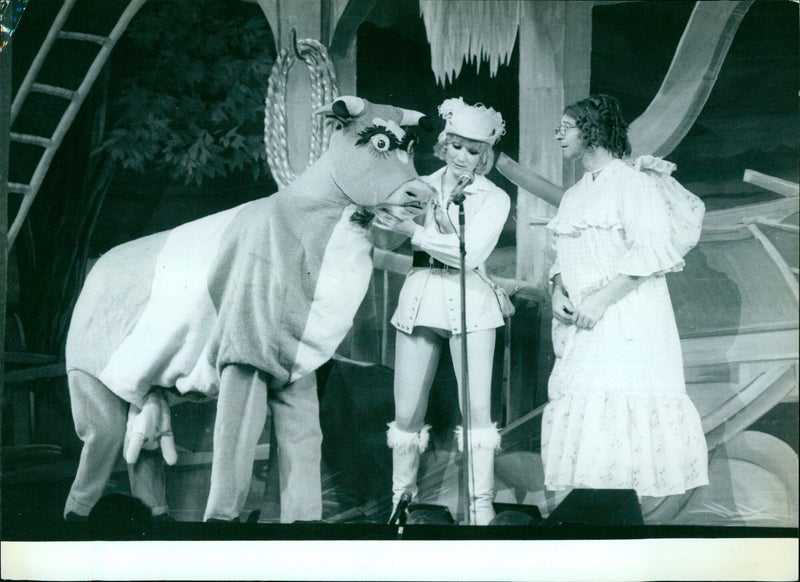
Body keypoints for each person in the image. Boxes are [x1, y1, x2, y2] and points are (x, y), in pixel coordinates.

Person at [542, 94, 709, 501]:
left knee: (619, 418)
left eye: (567, 128)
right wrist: (558, 289)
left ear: (592, 132)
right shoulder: (573, 195)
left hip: (626, 317)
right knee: (588, 424)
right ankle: (598, 525)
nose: (559, 136)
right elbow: (561, 256)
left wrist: (599, 301)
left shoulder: (634, 185)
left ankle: (619, 525)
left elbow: (649, 254)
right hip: (582, 323)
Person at [372, 97, 510, 525]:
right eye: (458, 147)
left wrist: (415, 232)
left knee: (478, 412)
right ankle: (402, 502)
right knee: (407, 412)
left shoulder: (494, 198)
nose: (465, 158)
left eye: (475, 151)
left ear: (484, 154)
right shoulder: (418, 186)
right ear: (445, 145)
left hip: (472, 303)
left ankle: (481, 505)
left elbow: (469, 255)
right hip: (421, 296)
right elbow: (384, 233)